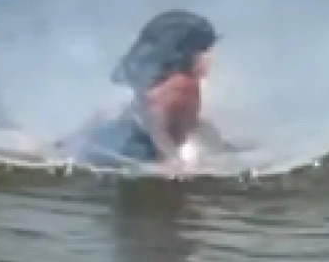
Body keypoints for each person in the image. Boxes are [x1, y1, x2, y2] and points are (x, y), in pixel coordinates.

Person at [61, 10, 222, 171]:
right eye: (205, 49)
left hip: (113, 141)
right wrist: (172, 162)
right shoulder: (181, 84)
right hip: (134, 149)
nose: (210, 57)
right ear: (187, 51)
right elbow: (158, 124)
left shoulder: (159, 80)